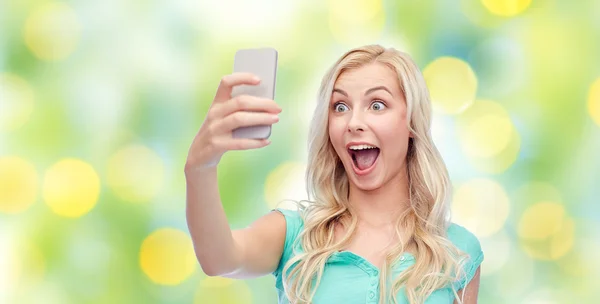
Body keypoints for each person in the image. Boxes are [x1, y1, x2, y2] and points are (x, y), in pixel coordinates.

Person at [184, 44, 484, 304]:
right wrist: (200, 168)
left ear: (411, 123)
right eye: (340, 106)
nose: (353, 122)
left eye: (377, 105)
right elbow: (219, 258)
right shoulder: (294, 234)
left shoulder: (457, 250)